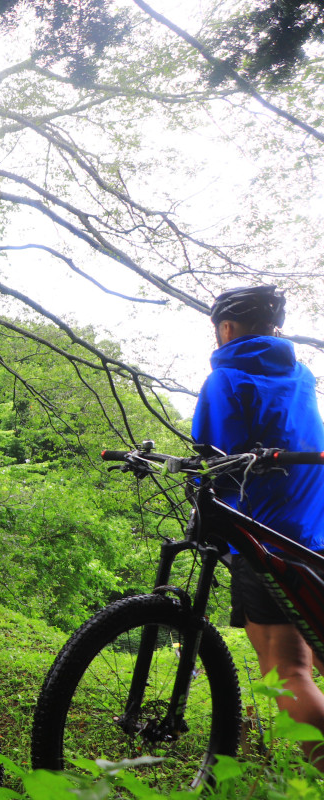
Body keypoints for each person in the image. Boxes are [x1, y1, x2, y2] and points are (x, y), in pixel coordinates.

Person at [192, 285, 324, 762]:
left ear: (225, 329)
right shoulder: (301, 375)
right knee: (308, 655)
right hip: (313, 529)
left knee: (285, 672)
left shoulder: (226, 379)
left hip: (265, 534)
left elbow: (213, 452)